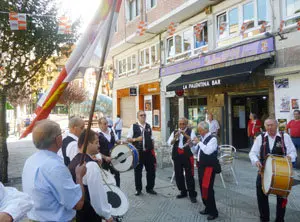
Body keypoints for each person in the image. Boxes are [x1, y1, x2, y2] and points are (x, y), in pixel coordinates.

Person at [22, 119, 87, 222]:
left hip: (35, 217)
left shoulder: (30, 160)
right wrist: (79, 176)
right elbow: (77, 204)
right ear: (58, 139)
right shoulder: (54, 167)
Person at [249, 118, 297, 222]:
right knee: (261, 197)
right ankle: (264, 219)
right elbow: (252, 153)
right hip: (263, 172)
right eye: (267, 125)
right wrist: (256, 161)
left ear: (277, 125)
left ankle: (280, 219)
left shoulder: (285, 137)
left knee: (281, 198)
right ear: (265, 127)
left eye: (272, 125)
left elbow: (293, 152)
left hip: (281, 173)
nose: (270, 127)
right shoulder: (260, 137)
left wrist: (289, 157)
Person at [69, 129, 113, 222]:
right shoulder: (91, 165)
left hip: (79, 215)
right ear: (87, 144)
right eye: (96, 142)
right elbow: (97, 196)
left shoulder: (73, 161)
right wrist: (107, 215)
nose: (99, 145)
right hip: (91, 215)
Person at [192, 121, 219, 220]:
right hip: (201, 167)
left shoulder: (213, 139)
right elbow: (197, 151)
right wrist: (193, 145)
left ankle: (213, 211)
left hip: (209, 168)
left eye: (200, 130)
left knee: (208, 189)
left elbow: (208, 151)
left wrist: (199, 142)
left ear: (206, 130)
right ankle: (207, 207)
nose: (199, 132)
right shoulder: (202, 138)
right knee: (202, 188)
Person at [167, 117, 197, 203]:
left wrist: (185, 135)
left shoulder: (191, 131)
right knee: (178, 175)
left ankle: (192, 194)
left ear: (186, 124)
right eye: (180, 124)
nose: (182, 126)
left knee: (189, 175)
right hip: (177, 155)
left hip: (187, 155)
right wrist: (175, 137)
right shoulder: (175, 132)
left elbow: (193, 142)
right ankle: (183, 191)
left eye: (183, 124)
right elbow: (169, 143)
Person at [127, 110, 157, 196]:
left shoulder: (148, 126)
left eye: (144, 115)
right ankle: (138, 189)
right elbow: (128, 139)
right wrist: (136, 139)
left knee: (151, 171)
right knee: (138, 172)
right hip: (138, 152)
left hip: (148, 152)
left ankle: (150, 188)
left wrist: (153, 149)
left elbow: (152, 139)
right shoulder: (134, 126)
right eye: (141, 115)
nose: (143, 116)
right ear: (138, 117)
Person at [98, 117, 121, 187]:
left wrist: (122, 142)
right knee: (104, 177)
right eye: (105, 124)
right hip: (104, 160)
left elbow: (117, 140)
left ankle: (118, 190)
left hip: (114, 157)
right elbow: (96, 151)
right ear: (99, 125)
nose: (107, 125)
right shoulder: (97, 134)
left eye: (107, 123)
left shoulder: (111, 130)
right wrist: (105, 157)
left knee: (117, 175)